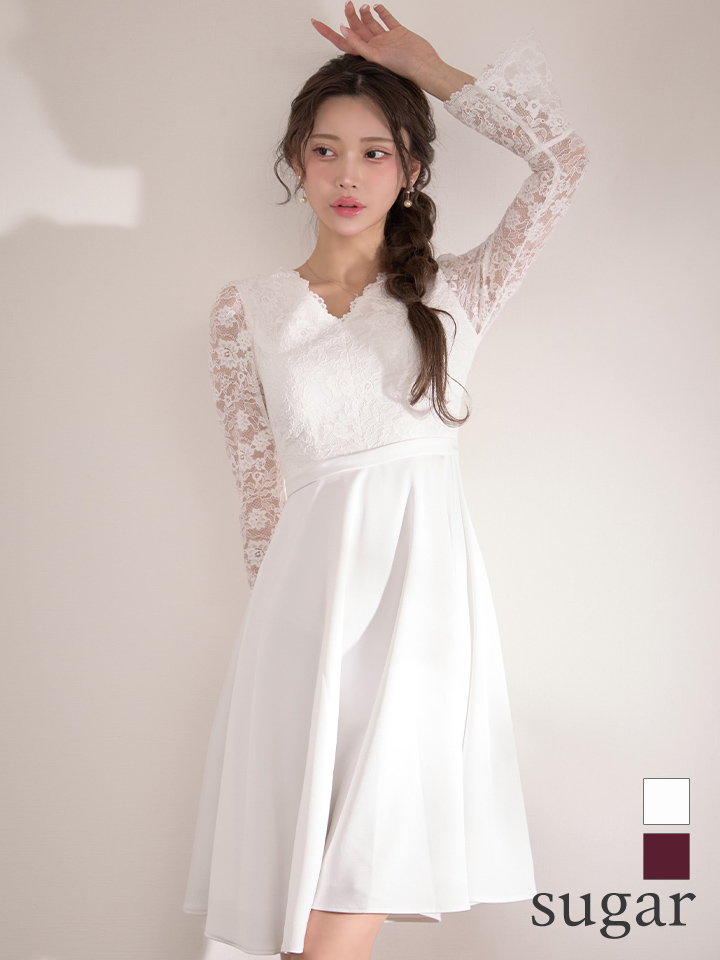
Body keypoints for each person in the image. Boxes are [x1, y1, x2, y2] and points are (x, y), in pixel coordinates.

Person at [182, 4, 589, 959]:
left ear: (411, 170)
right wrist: (287, 656)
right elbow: (259, 501)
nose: (348, 175)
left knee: (354, 883)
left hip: (421, 620)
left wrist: (432, 70)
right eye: (326, 151)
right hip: (302, 626)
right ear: (296, 162)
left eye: (375, 153)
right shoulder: (246, 312)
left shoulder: (457, 293)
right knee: (296, 909)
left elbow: (563, 162)